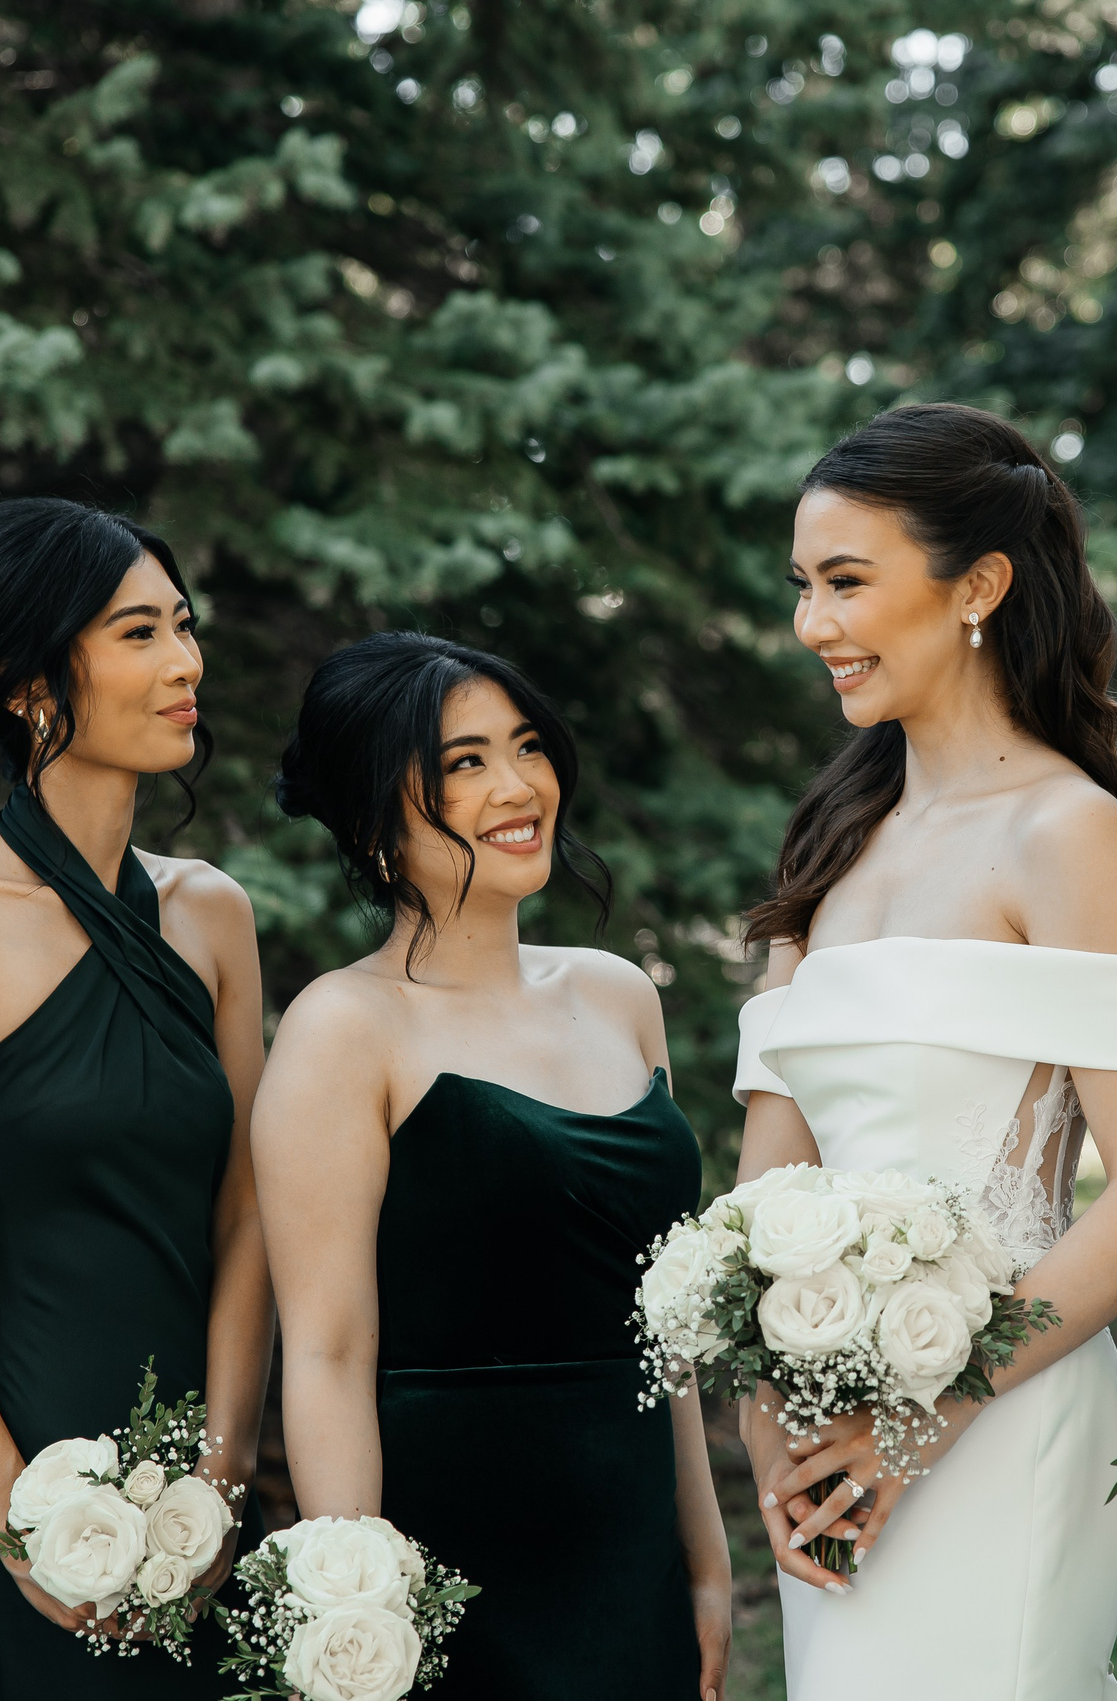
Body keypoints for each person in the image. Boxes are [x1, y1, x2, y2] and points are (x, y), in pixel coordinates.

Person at [732, 403, 1117, 1701]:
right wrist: (769, 1426)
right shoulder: (829, 845)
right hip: (826, 1438)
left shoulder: (1067, 836)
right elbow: (761, 1196)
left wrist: (936, 1408)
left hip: (1001, 1419)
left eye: (845, 581)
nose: (811, 622)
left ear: (979, 586)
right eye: (801, 586)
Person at [257, 632, 731, 1700]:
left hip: (633, 1546)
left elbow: (674, 1335)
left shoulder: (617, 993)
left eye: (525, 746)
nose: (517, 786)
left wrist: (705, 1564)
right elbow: (326, 1354)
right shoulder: (344, 1028)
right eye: (463, 763)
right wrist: (360, 1619)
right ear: (378, 816)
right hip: (454, 1564)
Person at [0, 500, 272, 1698]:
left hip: (202, 1492)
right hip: (24, 1469)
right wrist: (18, 1521)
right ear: (27, 679)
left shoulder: (213, 914)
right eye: (138, 634)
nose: (187, 662)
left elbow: (246, 1220)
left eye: (183, 627)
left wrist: (222, 1479)